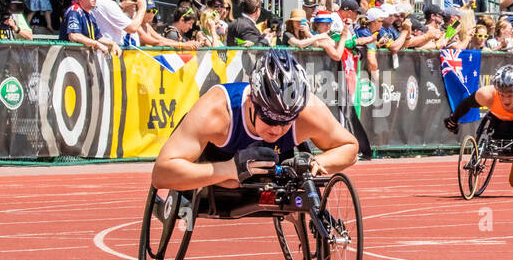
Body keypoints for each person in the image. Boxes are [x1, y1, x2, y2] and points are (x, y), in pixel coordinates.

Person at [151, 49, 358, 194]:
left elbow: (349, 146)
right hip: (219, 167)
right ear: (251, 101)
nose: (277, 129)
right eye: (269, 119)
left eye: (287, 121)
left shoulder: (308, 111)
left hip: (277, 166)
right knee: (230, 183)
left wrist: (317, 162)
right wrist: (229, 170)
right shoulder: (216, 110)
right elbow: (162, 173)